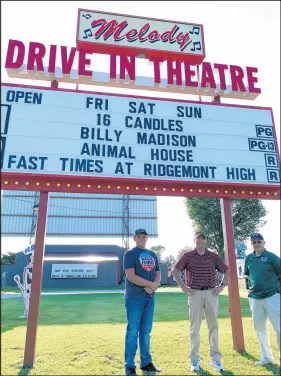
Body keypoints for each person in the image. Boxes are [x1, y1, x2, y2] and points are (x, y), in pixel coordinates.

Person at [172, 232, 230, 373]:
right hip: (195, 293)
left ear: (206, 241)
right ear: (195, 241)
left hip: (211, 292)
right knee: (195, 327)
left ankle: (215, 358)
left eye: (203, 238)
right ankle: (194, 359)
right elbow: (175, 270)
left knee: (213, 326)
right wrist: (183, 286)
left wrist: (222, 285)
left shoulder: (213, 256)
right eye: (198, 238)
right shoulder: (188, 256)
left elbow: (227, 270)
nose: (200, 240)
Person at [123, 228, 162, 376]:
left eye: (144, 237)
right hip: (134, 298)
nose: (141, 239)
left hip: (150, 298)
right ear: (134, 238)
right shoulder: (130, 254)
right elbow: (131, 276)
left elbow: (158, 273)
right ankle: (129, 365)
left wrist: (154, 286)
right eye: (139, 236)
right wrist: (149, 284)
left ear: (147, 238)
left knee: (145, 331)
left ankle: (146, 363)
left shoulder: (152, 254)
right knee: (133, 331)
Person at [244, 233, 281, 366]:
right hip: (255, 297)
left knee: (279, 328)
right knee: (259, 327)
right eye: (253, 242)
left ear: (264, 242)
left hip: (272, 296)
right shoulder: (248, 258)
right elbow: (247, 276)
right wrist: (249, 289)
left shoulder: (271, 257)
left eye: (258, 241)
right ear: (251, 244)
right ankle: (267, 357)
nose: (256, 244)